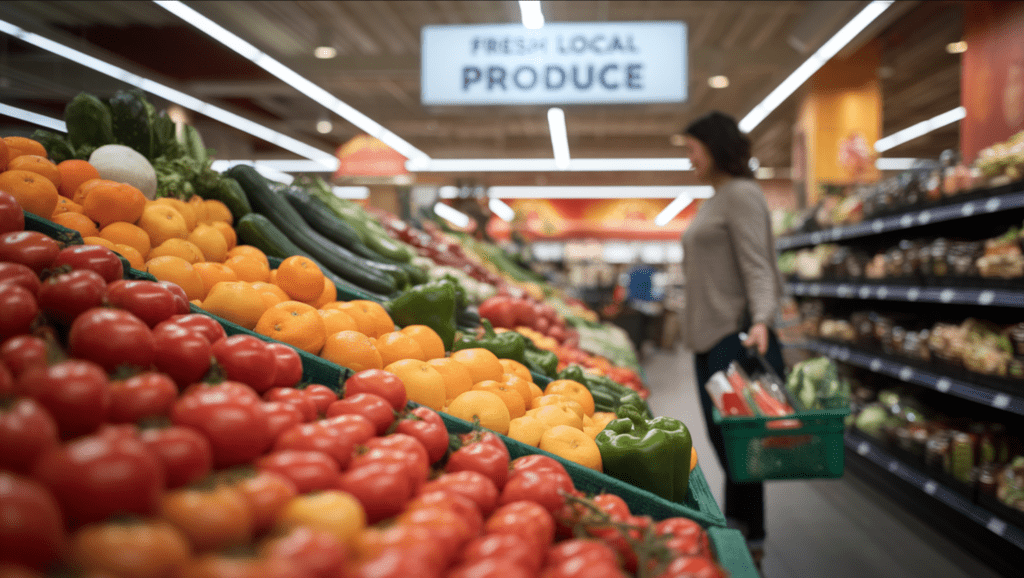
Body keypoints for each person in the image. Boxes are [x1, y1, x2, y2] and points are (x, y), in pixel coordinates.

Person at [679, 111, 785, 564]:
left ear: (714, 147)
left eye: (692, 149)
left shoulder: (741, 195)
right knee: (729, 445)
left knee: (741, 448)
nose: (688, 159)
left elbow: (758, 265)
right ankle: (740, 532)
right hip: (707, 339)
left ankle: (749, 540)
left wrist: (762, 319)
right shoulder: (716, 198)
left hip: (732, 337)